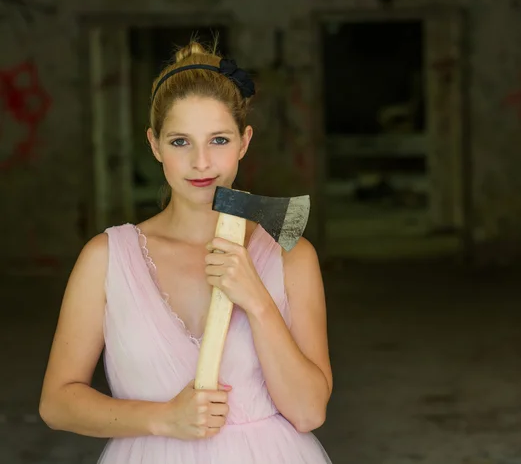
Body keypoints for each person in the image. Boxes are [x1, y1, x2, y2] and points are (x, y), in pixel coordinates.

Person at [39, 39, 333, 463]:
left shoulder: (292, 256)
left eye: (218, 139)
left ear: (244, 142)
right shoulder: (106, 258)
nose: (201, 162)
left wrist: (257, 301)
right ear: (154, 145)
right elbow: (56, 405)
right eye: (180, 142)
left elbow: (309, 413)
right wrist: (163, 419)